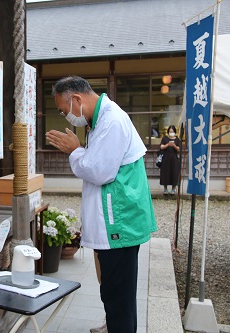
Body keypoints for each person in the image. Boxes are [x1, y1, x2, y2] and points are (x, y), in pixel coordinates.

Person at [45, 76, 157, 333]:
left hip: (119, 222)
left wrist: (74, 150)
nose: (66, 117)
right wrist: (79, 150)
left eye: (64, 111)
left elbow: (98, 171)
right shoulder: (100, 120)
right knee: (116, 293)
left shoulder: (111, 121)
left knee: (119, 297)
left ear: (76, 99)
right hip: (115, 221)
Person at [159, 125, 181, 195]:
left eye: (172, 132)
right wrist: (168, 145)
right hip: (166, 158)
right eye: (170, 131)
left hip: (174, 159)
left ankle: (173, 189)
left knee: (174, 173)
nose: (171, 133)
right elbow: (161, 147)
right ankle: (165, 189)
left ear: (175, 132)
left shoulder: (177, 140)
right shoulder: (165, 138)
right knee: (165, 173)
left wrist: (174, 145)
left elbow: (179, 149)